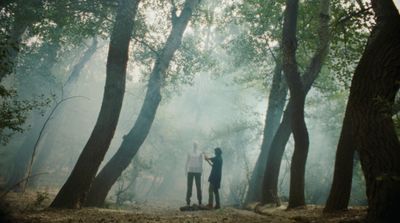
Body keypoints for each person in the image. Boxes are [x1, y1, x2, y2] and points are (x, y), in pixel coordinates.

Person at [185, 141, 203, 206]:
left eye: (196, 145)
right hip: (190, 170)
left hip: (198, 171)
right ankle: (188, 201)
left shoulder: (200, 152)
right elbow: (187, 161)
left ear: (197, 145)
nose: (195, 146)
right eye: (194, 145)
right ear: (193, 145)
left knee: (198, 186)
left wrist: (201, 170)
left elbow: (201, 162)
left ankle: (200, 201)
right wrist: (185, 169)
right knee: (189, 186)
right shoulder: (189, 152)